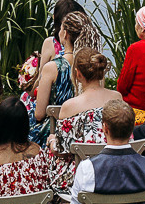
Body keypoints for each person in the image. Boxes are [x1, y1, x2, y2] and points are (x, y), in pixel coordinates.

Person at [49, 47, 119, 186]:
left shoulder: (69, 106)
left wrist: (51, 142)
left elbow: (61, 151)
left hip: (81, 178)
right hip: (114, 171)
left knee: (50, 151)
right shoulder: (117, 98)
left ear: (78, 74)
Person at [31, 10, 104, 142]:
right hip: (89, 134)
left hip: (55, 134)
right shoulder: (95, 64)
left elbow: (39, 114)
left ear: (65, 34)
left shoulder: (52, 67)